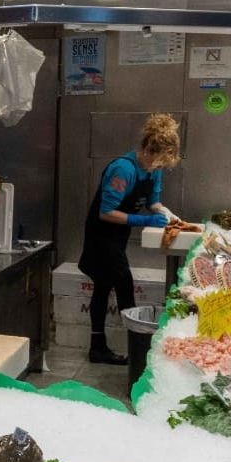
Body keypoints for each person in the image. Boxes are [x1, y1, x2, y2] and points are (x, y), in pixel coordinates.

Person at [78, 113, 182, 365]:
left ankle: (98, 348)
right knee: (124, 287)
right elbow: (106, 213)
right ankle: (140, 353)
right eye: (156, 161)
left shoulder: (153, 169)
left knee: (103, 286)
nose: (158, 168)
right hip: (101, 234)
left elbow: (153, 202)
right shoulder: (123, 169)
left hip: (119, 235)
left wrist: (165, 213)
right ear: (147, 149)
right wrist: (144, 221)